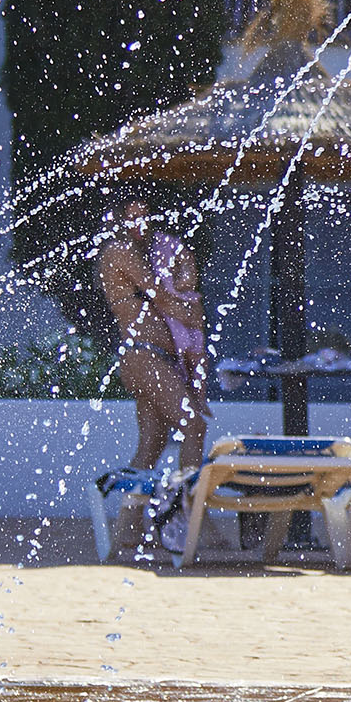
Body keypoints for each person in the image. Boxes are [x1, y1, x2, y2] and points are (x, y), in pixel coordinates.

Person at [99, 198, 209, 492]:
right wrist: (193, 315)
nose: (141, 224)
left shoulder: (144, 253)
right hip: (145, 356)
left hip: (149, 357)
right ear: (117, 220)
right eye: (133, 217)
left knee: (150, 448)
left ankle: (129, 522)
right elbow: (159, 296)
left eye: (145, 216)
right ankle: (187, 508)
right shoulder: (119, 251)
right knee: (193, 426)